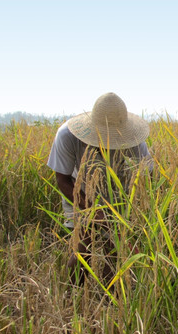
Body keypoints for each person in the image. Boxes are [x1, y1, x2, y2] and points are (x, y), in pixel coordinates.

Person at [47, 92, 153, 286]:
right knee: (84, 244)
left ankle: (112, 299)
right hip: (78, 189)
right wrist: (96, 213)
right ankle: (74, 298)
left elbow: (147, 178)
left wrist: (126, 216)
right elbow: (62, 180)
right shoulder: (67, 136)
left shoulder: (134, 141)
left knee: (115, 249)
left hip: (118, 190)